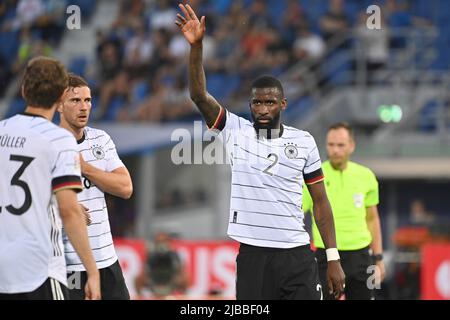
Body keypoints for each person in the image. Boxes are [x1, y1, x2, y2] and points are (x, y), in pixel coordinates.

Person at [175, 4, 345, 300]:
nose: (263, 109)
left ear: (283, 104)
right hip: (254, 256)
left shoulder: (303, 141)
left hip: (296, 254)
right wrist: (197, 47)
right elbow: (198, 95)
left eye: (270, 103)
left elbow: (321, 203)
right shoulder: (235, 130)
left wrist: (332, 257)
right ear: (250, 105)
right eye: (257, 103)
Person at [0, 57, 100, 300]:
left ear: (24, 91)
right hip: (38, 267)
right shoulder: (59, 140)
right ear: (60, 99)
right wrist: (93, 271)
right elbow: (69, 211)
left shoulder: (1, 130)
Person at [57, 74, 133, 300]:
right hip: (68, 264)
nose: (84, 107)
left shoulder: (100, 140)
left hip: (107, 261)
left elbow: (125, 187)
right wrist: (64, 205)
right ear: (59, 105)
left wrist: (85, 167)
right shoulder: (47, 144)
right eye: (75, 101)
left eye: (88, 100)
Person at [303, 122, 385, 300]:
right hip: (326, 255)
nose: (335, 150)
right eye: (331, 145)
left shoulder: (366, 176)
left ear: (352, 146)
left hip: (362, 256)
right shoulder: (313, 175)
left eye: (340, 145)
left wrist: (378, 258)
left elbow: (372, 219)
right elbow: (297, 215)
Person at [135, 231, 188, 298]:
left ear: (168, 242)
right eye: (159, 242)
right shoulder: (151, 255)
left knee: (185, 278)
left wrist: (177, 278)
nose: (161, 244)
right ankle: (140, 298)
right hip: (154, 281)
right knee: (137, 279)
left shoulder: (174, 255)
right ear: (155, 243)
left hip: (170, 281)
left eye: (163, 241)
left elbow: (181, 271)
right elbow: (144, 272)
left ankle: (182, 298)